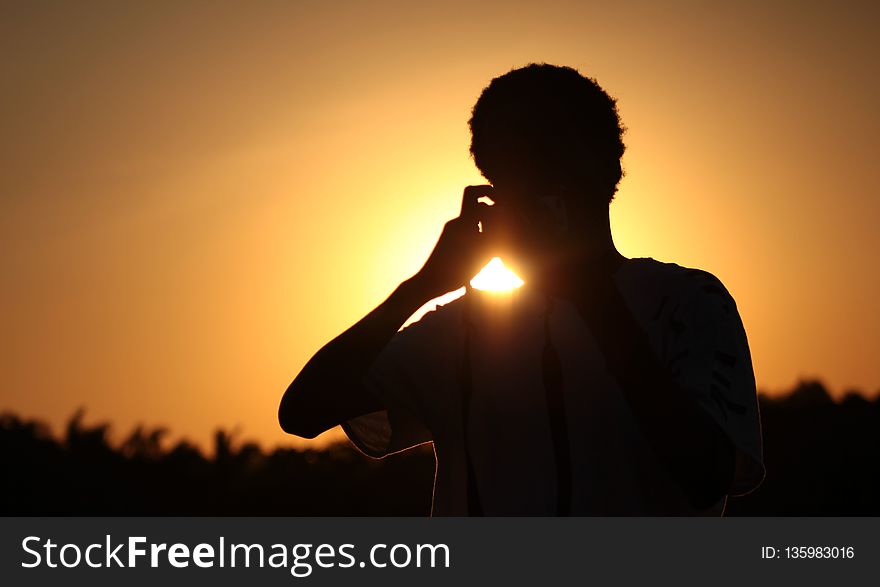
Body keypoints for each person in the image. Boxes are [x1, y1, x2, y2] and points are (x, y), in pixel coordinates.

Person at [279, 63, 765, 515]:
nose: (532, 197)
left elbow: (709, 475)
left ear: (608, 171)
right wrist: (422, 286)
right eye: (510, 177)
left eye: (551, 173)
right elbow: (304, 411)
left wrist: (588, 292)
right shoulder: (461, 329)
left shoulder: (685, 302)